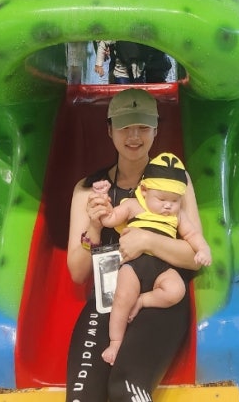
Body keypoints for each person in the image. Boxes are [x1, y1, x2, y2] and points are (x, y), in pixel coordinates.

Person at [66, 88, 203, 402]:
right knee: (81, 398)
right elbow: (77, 272)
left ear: (155, 130)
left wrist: (148, 240)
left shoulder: (174, 182)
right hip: (108, 299)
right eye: (125, 126)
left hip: (160, 298)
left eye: (143, 127)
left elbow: (195, 255)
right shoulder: (88, 190)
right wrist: (94, 226)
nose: (134, 136)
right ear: (110, 130)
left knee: (125, 388)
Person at [96, 152, 211, 365]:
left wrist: (203, 250)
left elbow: (193, 235)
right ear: (144, 191)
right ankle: (115, 341)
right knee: (122, 297)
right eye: (162, 199)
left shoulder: (177, 216)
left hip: (163, 268)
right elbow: (110, 219)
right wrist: (103, 204)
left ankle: (143, 300)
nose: (168, 206)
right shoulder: (133, 205)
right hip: (134, 265)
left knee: (176, 290)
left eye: (174, 201)